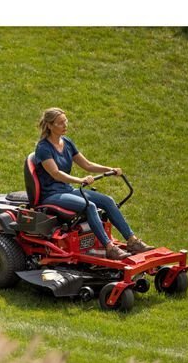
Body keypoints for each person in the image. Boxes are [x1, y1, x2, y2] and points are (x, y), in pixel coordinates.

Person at [34, 107, 155, 260]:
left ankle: (132, 241)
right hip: (52, 194)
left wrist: (109, 169)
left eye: (65, 121)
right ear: (50, 126)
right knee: (89, 205)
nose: (65, 125)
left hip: (67, 190)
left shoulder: (67, 143)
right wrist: (80, 180)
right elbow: (55, 174)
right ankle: (109, 248)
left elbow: (87, 165)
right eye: (60, 123)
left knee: (108, 201)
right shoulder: (43, 148)